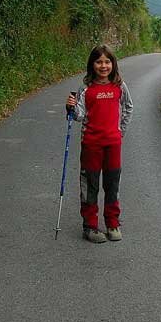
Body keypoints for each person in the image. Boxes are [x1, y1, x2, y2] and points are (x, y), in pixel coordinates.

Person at [66, 44, 133, 243]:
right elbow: (79, 115)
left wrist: (120, 131)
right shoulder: (86, 88)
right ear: (92, 64)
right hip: (91, 144)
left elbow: (129, 108)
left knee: (112, 183)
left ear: (113, 64)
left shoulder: (119, 85)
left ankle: (112, 223)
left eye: (107, 62)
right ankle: (90, 226)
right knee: (91, 184)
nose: (103, 66)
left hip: (113, 143)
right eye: (98, 62)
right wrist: (70, 107)